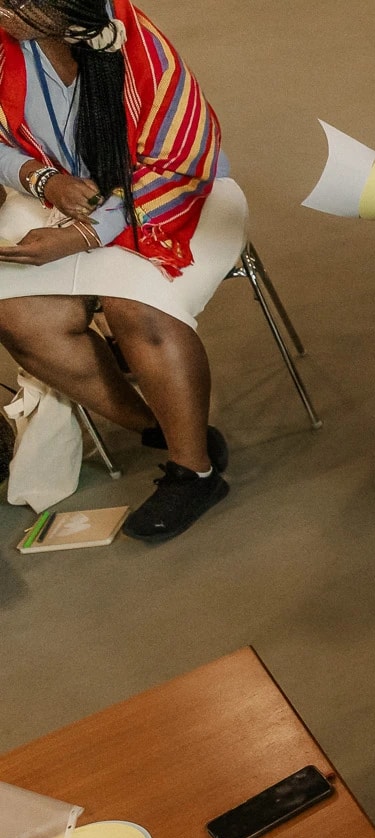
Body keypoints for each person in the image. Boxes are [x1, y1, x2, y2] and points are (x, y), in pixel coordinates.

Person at [0, 0, 236, 541]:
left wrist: (81, 235)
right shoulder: (5, 41)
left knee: (134, 307)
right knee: (15, 317)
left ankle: (194, 473)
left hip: (180, 200)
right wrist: (39, 177)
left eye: (17, 2)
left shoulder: (135, 40)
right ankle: (161, 425)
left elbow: (185, 155)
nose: (5, 13)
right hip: (68, 203)